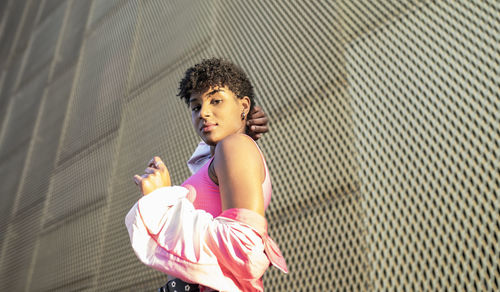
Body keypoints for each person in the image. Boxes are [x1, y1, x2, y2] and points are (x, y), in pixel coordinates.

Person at [125, 58, 287, 291]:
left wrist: (161, 199)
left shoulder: (235, 146)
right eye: (195, 106)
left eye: (216, 101)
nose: (204, 112)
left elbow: (243, 247)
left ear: (244, 105)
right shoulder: (222, 153)